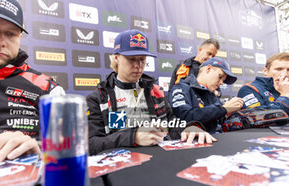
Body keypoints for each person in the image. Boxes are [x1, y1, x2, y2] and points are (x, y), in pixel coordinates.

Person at [0, 0, 64, 164]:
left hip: (31, 183)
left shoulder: (48, 88)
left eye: (10, 33)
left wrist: (37, 149)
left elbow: (66, 148)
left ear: (19, 37)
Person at [87, 29, 216, 155]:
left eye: (142, 59)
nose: (138, 65)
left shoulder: (155, 91)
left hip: (156, 165)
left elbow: (172, 124)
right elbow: (90, 144)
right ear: (116, 58)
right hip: (118, 169)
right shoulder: (99, 97)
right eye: (131, 59)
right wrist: (134, 137)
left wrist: (188, 128)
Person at [169, 57, 243, 133]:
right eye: (220, 77)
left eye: (223, 80)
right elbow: (184, 117)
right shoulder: (182, 87)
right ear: (208, 69)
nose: (221, 83)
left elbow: (220, 120)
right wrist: (224, 109)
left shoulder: (212, 94)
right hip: (196, 142)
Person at [237, 52, 289, 121]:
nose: (284, 74)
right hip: (262, 136)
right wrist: (285, 96)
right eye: (279, 69)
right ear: (265, 71)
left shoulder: (287, 89)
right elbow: (260, 117)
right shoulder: (249, 89)